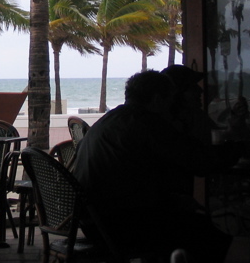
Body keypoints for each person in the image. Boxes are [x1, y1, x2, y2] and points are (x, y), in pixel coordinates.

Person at [73, 70, 241, 262]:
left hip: (95, 223)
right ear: (157, 99)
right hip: (122, 226)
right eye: (169, 100)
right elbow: (199, 161)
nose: (171, 107)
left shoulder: (110, 120)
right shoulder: (146, 122)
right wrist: (238, 150)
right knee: (210, 234)